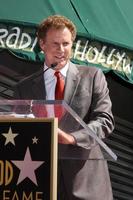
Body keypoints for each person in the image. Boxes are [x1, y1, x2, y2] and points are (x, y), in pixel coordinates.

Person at [13, 15, 114, 200]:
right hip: (40, 181)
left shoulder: (93, 77)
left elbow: (105, 121)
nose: (61, 50)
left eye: (66, 44)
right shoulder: (23, 88)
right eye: (55, 43)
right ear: (42, 44)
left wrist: (72, 138)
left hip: (86, 184)